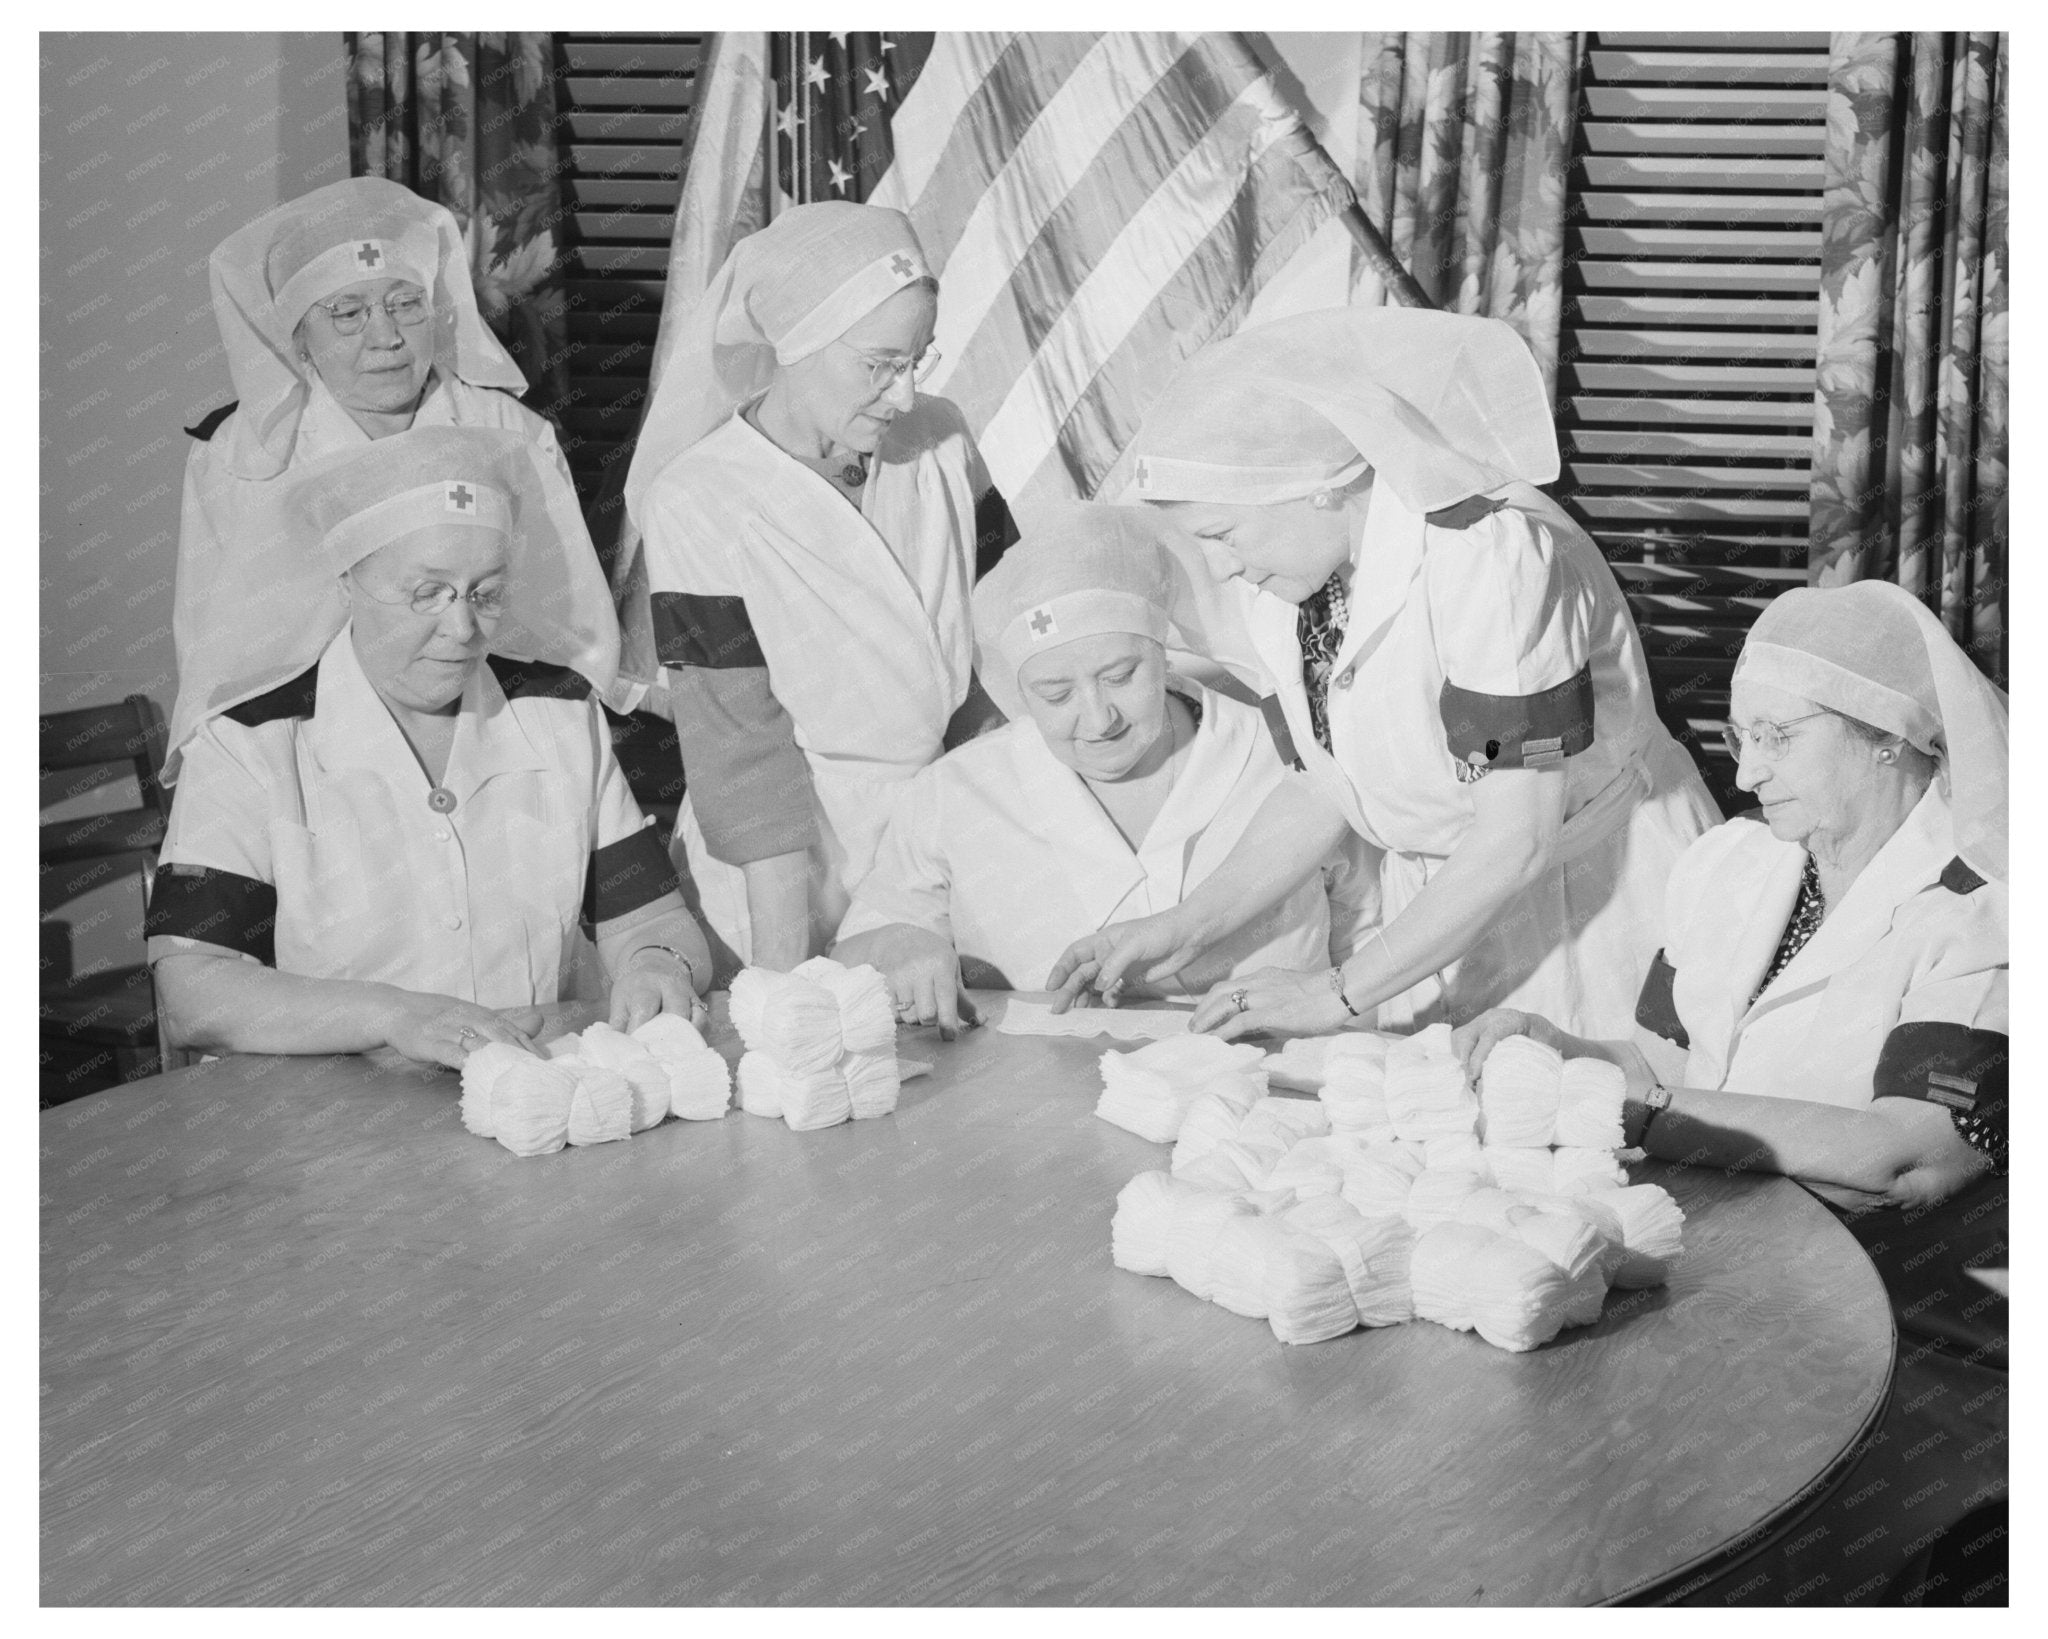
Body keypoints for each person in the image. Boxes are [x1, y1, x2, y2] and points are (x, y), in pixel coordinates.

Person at [1454, 580, 2008, 1606]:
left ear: (1887, 738)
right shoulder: (1730, 863)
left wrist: (1652, 1117)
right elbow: (1664, 1061)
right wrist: (1559, 1046)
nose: (1743, 771)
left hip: (1920, 1342)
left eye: (1776, 739)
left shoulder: (1988, 908)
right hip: (1735, 1296)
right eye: (1735, 735)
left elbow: (1907, 1160)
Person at [1047, 307, 1719, 1040]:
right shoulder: (1286, 580)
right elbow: (1323, 783)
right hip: (1433, 915)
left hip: (1588, 900)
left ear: (1320, 485)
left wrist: (1334, 995)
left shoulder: (1487, 557)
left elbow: (1513, 839)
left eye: (1222, 534)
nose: (1220, 565)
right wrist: (1184, 926)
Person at [146, 426, 710, 1071]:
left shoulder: (558, 717)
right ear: (345, 584)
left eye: (486, 593)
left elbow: (647, 920)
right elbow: (193, 993)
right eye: (427, 593)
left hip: (528, 1099)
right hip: (323, 1123)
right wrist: (392, 1016)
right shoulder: (248, 745)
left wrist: (657, 967)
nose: (463, 629)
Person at [622, 201, 1014, 976]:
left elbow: (999, 642)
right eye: (878, 364)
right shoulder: (700, 498)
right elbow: (742, 751)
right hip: (785, 876)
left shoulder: (940, 440)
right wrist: (783, 979)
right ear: (797, 345)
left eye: (917, 360)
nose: (902, 396)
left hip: (938, 840)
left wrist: (998, 837)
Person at [833, 506, 1378, 1034]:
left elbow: (1373, 923)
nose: (1098, 720)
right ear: (1014, 690)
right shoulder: (956, 791)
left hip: (1283, 1090)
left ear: (1163, 652)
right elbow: (860, 944)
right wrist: (897, 945)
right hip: (1039, 1110)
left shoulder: (1286, 751)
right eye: (1055, 693)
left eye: (1120, 676)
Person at [170, 175, 610, 772]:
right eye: (347, 313)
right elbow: (219, 646)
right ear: (299, 340)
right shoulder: (240, 456)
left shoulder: (513, 435)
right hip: (301, 739)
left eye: (406, 305)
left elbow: (557, 616)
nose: (387, 337)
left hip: (489, 724)